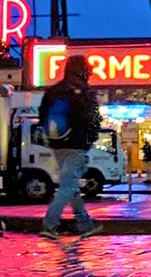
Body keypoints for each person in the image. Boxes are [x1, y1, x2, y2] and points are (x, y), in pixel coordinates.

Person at [36, 54, 103, 240]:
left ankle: (84, 223)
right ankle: (50, 224)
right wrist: (90, 139)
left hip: (57, 145)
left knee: (70, 184)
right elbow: (93, 119)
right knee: (67, 186)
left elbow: (41, 116)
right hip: (77, 145)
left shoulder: (54, 91)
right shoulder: (84, 92)